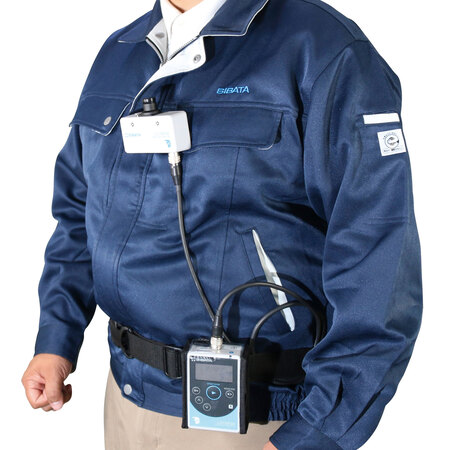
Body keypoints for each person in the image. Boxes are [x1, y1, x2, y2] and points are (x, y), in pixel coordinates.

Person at [21, 0, 423, 449]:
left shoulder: (322, 50)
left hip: (253, 419)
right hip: (125, 398)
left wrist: (316, 433)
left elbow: (379, 257)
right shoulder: (120, 51)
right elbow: (79, 212)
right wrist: (55, 338)